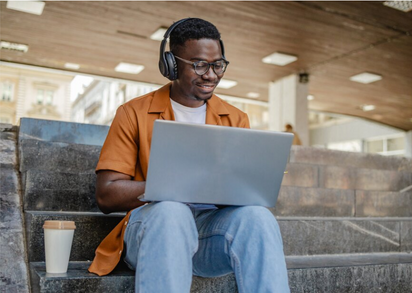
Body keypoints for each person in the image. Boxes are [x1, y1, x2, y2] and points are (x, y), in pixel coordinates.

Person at [88, 18, 290, 293]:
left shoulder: (235, 117)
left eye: (218, 65)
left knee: (259, 217)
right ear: (171, 65)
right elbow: (106, 195)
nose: (211, 75)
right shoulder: (133, 112)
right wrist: (170, 188)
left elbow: (239, 199)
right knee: (172, 211)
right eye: (199, 65)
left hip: (208, 237)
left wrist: (246, 186)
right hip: (153, 231)